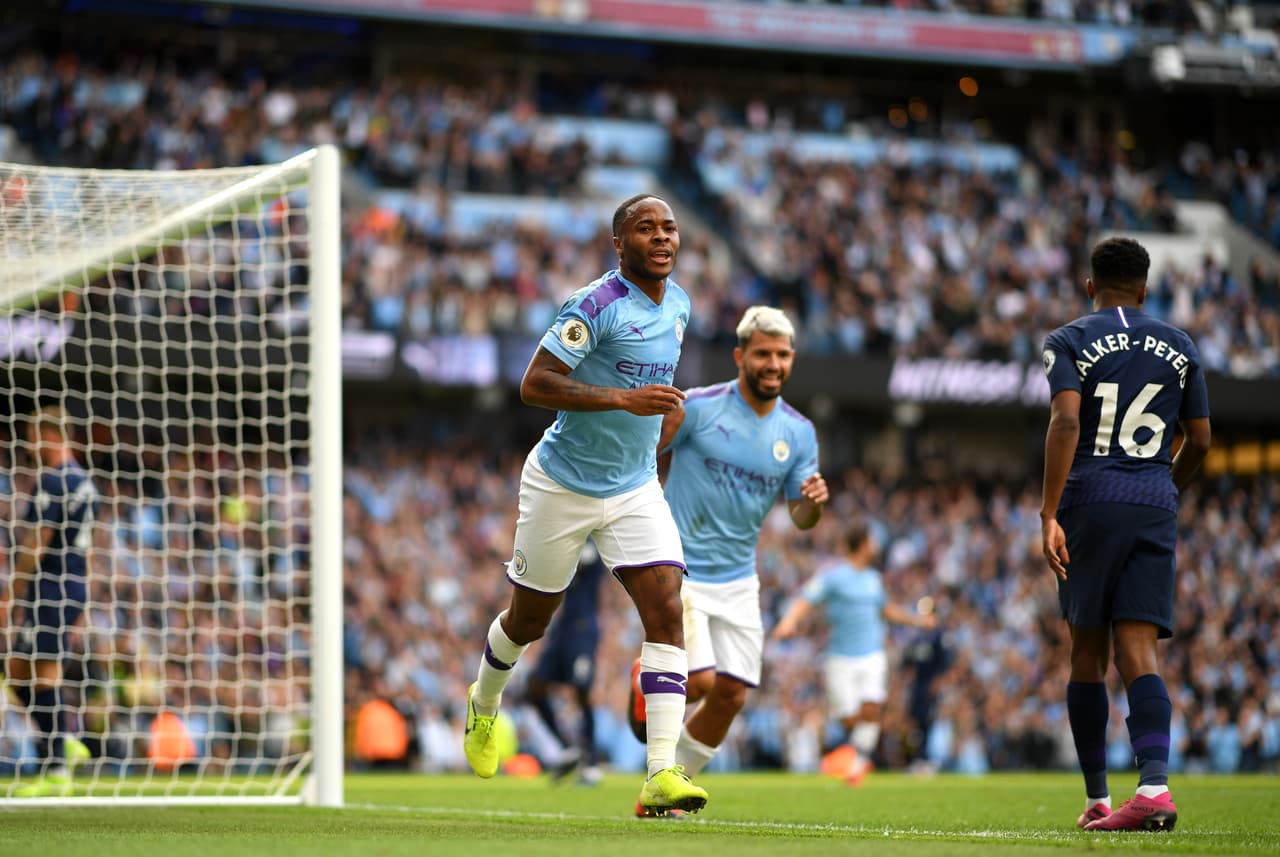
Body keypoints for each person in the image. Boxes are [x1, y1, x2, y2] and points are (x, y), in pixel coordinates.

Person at [462, 194, 708, 816]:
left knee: (666, 610)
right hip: (561, 483)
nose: (661, 237)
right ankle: (484, 704)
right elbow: (534, 383)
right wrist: (622, 400)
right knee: (529, 622)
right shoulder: (592, 305)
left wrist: (660, 432)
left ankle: (660, 774)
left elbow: (658, 401)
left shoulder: (679, 304)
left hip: (631, 489)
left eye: (669, 228)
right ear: (618, 244)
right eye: (645, 228)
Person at [625, 305, 828, 817]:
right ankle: (644, 684)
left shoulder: (798, 434)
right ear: (741, 356)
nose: (773, 363)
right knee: (707, 680)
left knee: (732, 695)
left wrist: (812, 504)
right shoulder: (698, 407)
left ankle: (668, 792)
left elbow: (801, 517)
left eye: (782, 355)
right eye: (763, 353)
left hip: (739, 578)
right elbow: (644, 456)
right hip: (682, 568)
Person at [1040, 236, 1211, 832]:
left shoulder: (1068, 339)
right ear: (1145, 288)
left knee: (1087, 654)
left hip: (1089, 499)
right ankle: (1156, 789)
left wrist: (1048, 514)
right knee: (1140, 652)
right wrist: (1166, 487)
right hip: (1152, 500)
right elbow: (1203, 439)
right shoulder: (1181, 344)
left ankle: (1097, 798)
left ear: (1090, 286)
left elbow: (1065, 418)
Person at [771, 520, 937, 786]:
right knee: (849, 717)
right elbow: (806, 598)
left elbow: (886, 609)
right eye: (871, 541)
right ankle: (850, 757)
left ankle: (856, 766)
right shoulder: (834, 576)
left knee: (872, 708)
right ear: (861, 545)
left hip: (872, 655)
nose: (875, 546)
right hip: (840, 658)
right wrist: (789, 620)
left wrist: (917, 621)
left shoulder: (873, 579)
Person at [4, 406, 98, 797]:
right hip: (73, 586)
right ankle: (63, 743)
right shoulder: (87, 483)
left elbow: (36, 544)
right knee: (18, 669)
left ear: (50, 435)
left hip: (50, 587)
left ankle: (56, 764)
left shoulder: (53, 482)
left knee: (40, 674)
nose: (28, 445)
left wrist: (13, 590)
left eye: (31, 435)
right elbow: (87, 549)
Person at [524, 542, 608, 785]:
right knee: (535, 686)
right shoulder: (566, 538)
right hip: (562, 629)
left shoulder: (589, 544)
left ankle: (591, 761)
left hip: (583, 630)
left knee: (581, 689)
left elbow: (578, 561)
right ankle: (567, 748)